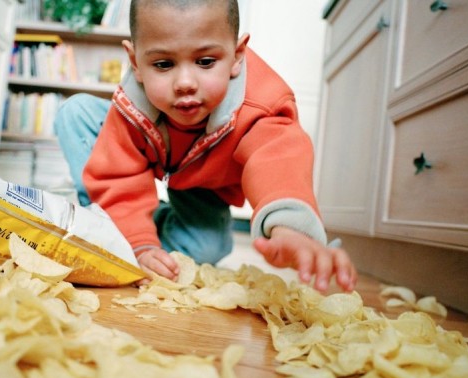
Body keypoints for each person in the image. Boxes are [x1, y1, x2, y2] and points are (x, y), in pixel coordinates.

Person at [54, 0, 357, 292]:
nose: (185, 82)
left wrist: (289, 227)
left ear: (237, 55)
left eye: (205, 62)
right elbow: (117, 175)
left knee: (205, 250)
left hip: (207, 182)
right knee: (75, 112)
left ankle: (147, 221)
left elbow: (278, 158)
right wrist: (138, 244)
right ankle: (110, 224)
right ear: (135, 62)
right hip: (145, 153)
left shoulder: (260, 106)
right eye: (163, 64)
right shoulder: (131, 106)